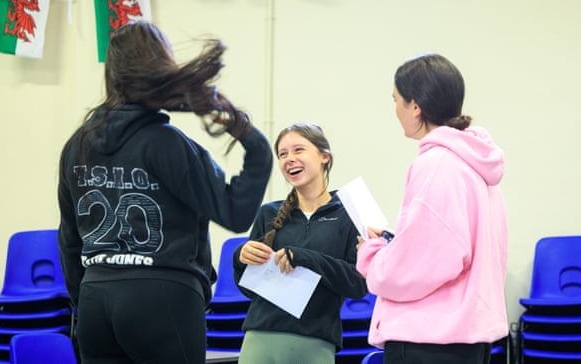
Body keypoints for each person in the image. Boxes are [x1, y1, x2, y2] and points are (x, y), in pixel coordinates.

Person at [57, 21, 273, 364]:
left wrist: (87, 297)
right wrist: (244, 131)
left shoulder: (77, 146)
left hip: (96, 299)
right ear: (160, 67)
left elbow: (69, 240)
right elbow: (235, 212)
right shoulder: (168, 145)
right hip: (163, 296)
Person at [356, 54, 508, 364]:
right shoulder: (477, 164)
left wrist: (373, 255)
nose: (395, 110)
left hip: (428, 340)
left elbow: (422, 265)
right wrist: (396, 242)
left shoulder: (436, 164)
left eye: (396, 100)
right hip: (465, 338)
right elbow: (451, 246)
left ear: (415, 106)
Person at [232, 122, 367, 364]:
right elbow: (248, 288)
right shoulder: (267, 213)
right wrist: (240, 258)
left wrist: (304, 258)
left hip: (316, 341)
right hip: (259, 338)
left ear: (324, 156)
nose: (289, 159)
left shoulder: (351, 214)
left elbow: (358, 285)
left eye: (298, 150)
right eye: (283, 154)